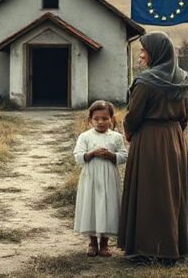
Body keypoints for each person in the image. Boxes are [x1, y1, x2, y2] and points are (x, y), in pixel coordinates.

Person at [117, 31, 188, 262]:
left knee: (149, 193)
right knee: (173, 193)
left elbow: (133, 116)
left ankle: (148, 249)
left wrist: (130, 133)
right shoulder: (183, 80)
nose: (141, 55)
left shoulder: (146, 82)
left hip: (149, 140)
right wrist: (174, 135)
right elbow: (185, 116)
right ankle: (175, 247)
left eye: (144, 50)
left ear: (155, 52)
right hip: (175, 139)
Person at [73, 100, 128, 258]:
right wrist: (91, 154)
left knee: (108, 205)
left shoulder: (116, 137)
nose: (100, 122)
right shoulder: (85, 137)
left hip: (109, 177)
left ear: (112, 119)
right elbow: (78, 156)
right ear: (90, 120)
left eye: (105, 118)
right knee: (91, 205)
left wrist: (111, 155)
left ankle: (104, 243)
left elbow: (124, 156)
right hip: (90, 177)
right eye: (96, 119)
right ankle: (92, 243)